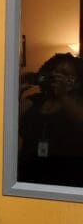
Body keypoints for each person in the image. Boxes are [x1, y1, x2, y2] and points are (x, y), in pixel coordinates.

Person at [18, 52, 83, 186]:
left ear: (76, 80)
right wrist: (17, 89)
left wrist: (64, 95)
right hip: (28, 174)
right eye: (55, 72)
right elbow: (7, 122)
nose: (57, 77)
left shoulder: (78, 104)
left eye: (65, 74)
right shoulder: (34, 101)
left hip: (68, 178)